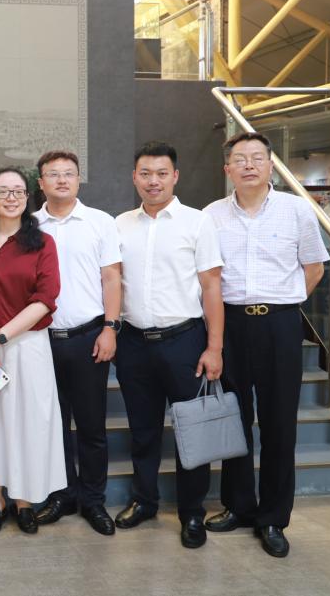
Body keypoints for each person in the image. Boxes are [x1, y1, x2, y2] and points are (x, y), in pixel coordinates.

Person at [203, 132, 328, 558]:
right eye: (240, 159)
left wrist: (284, 303)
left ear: (271, 166)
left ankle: (273, 516)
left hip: (280, 324)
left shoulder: (297, 210)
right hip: (230, 323)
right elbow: (207, 276)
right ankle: (238, 506)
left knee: (279, 423)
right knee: (233, 417)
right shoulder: (212, 215)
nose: (249, 165)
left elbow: (314, 268)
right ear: (228, 169)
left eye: (258, 158)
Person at [114, 141, 224, 550]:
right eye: (145, 174)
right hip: (134, 342)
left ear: (175, 176)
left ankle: (192, 512)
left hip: (185, 341)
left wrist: (214, 347)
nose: (153, 181)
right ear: (134, 177)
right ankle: (144, 501)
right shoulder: (120, 224)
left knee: (191, 431)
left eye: (161, 173)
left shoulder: (197, 222)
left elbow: (212, 287)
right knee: (142, 430)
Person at [31, 151, 121, 536]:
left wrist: (110, 328)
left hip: (89, 337)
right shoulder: (29, 225)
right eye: (53, 174)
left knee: (91, 426)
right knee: (52, 425)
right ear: (41, 183)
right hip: (40, 341)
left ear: (79, 178)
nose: (62, 179)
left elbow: (112, 278)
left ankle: (93, 500)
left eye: (69, 173)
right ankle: (62, 495)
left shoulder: (100, 222)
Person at [0, 166, 65, 537]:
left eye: (18, 191)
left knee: (28, 423)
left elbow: (45, 299)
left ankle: (24, 501)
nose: (10, 198)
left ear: (28, 198)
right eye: (2, 191)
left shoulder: (43, 243)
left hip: (26, 345)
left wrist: (1, 337)